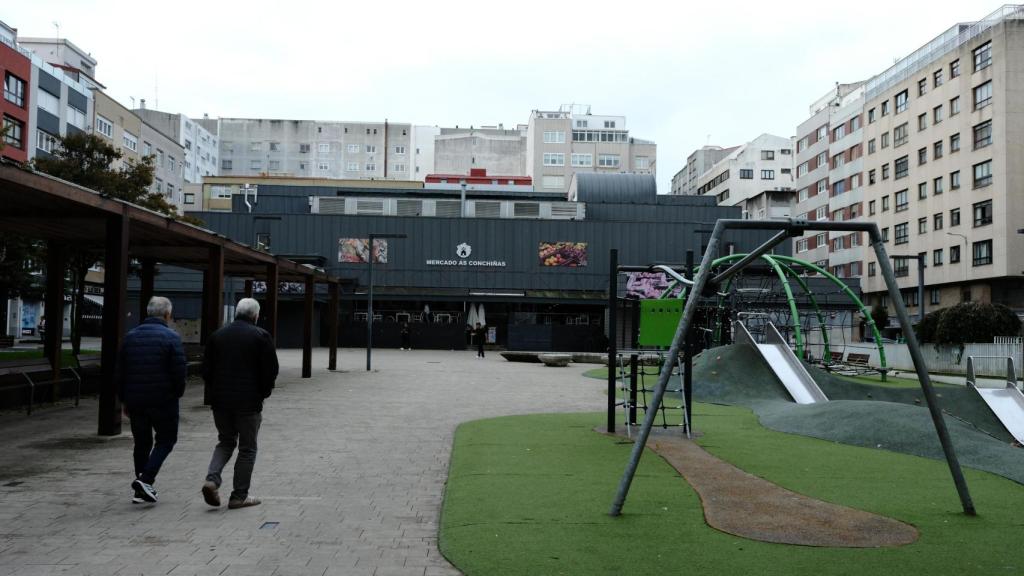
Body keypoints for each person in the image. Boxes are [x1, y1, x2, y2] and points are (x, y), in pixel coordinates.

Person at [201, 298, 278, 510]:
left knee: (225, 441)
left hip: (221, 402)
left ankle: (212, 479)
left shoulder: (217, 336)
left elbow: (206, 370)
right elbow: (270, 370)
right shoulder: (261, 336)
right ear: (255, 315)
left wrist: (215, 391)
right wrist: (263, 393)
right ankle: (239, 496)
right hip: (248, 402)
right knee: (247, 448)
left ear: (237, 313)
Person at [115, 296, 187, 504]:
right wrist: (177, 393)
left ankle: (142, 488)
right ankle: (146, 480)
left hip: (136, 401)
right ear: (167, 314)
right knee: (166, 440)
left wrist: (124, 400)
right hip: (163, 400)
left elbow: (120, 373)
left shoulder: (130, 337)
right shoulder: (171, 337)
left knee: (141, 443)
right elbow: (178, 371)